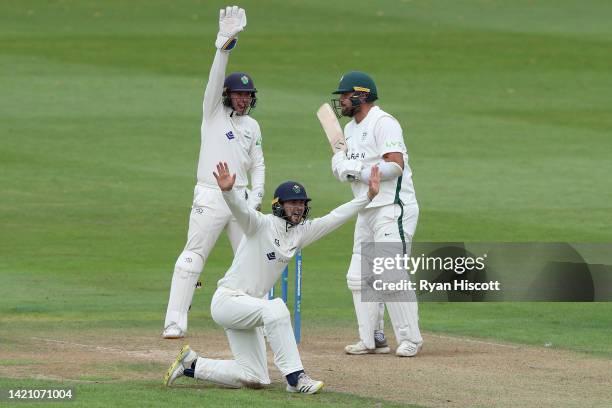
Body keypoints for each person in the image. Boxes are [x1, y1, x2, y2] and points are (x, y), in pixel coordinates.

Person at [164, 162, 381, 393]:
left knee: (255, 377)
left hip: (250, 307)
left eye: (301, 203)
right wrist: (228, 192)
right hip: (228, 300)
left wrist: (368, 196)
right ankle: (296, 379)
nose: (298, 208)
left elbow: (335, 217)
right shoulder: (260, 224)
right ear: (279, 205)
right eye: (292, 203)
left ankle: (191, 364)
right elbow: (241, 211)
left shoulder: (300, 233)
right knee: (276, 308)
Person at [163, 6, 265, 339]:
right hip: (210, 195)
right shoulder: (212, 114)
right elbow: (214, 79)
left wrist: (258, 194)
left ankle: (261, 321)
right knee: (192, 257)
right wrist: (224, 43)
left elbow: (258, 163)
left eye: (247, 95)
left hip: (243, 198)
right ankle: (175, 321)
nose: (243, 100)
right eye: (238, 94)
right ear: (227, 95)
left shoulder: (252, 126)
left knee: (252, 261)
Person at [329, 71, 423, 357]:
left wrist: (355, 171)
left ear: (361, 95)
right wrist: (340, 166)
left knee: (390, 274)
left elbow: (395, 165)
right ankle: (372, 338)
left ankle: (410, 340)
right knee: (358, 278)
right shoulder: (349, 130)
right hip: (365, 208)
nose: (341, 101)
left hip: (393, 208)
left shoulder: (383, 123)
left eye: (345, 95)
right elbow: (346, 167)